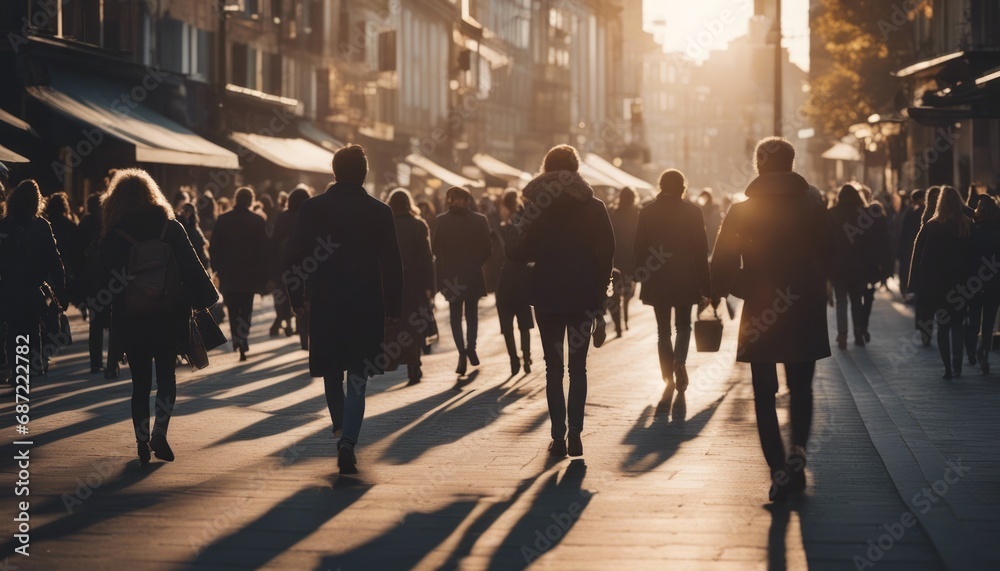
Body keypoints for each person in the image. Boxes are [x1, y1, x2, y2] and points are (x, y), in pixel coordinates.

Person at [711, 137, 833, 501]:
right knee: (801, 386)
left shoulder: (742, 209)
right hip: (803, 304)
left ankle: (778, 470)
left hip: (761, 307)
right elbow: (833, 249)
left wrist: (734, 288)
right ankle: (797, 451)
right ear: (792, 165)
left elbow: (722, 261)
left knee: (764, 393)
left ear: (759, 166)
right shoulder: (812, 204)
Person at [283, 144, 403, 473]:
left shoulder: (313, 208)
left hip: (326, 301)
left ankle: (339, 428)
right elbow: (393, 264)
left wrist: (297, 300)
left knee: (332, 371)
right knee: (359, 377)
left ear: (334, 172)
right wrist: (394, 307)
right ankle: (348, 439)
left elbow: (292, 256)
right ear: (364, 173)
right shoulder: (380, 211)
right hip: (366, 303)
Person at [97, 169, 218, 462]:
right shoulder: (170, 227)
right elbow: (191, 267)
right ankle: (160, 431)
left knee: (140, 384)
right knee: (166, 377)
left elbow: (102, 282)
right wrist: (206, 300)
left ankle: (141, 441)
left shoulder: (115, 235)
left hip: (132, 318)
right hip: (169, 314)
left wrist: (105, 324)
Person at [506, 145, 615, 458]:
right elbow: (607, 252)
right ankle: (577, 435)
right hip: (582, 295)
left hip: (547, 294)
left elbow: (517, 254)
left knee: (553, 368)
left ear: (546, 170)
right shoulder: (594, 207)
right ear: (576, 171)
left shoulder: (536, 206)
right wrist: (601, 292)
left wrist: (517, 231)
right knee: (577, 368)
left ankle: (557, 437)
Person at [633, 169, 713, 402]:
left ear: (660, 186)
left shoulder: (647, 212)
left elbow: (639, 247)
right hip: (685, 278)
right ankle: (680, 360)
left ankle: (667, 372)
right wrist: (706, 289)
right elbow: (701, 252)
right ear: (682, 188)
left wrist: (639, 274)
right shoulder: (693, 212)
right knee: (684, 325)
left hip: (657, 278)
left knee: (662, 329)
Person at [0, 180, 65, 383]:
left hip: (8, 286)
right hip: (33, 286)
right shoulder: (40, 225)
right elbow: (54, 257)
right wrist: (60, 285)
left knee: (13, 328)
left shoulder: (5, 224)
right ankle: (34, 366)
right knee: (33, 326)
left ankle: (18, 370)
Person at [909, 186, 974, 379]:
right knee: (958, 325)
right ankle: (957, 365)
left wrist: (918, 285)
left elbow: (920, 257)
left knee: (943, 326)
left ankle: (947, 366)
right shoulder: (966, 225)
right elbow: (973, 256)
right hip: (962, 285)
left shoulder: (931, 226)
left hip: (938, 286)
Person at [432, 186, 493, 375]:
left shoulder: (441, 221)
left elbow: (435, 249)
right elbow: (488, 248)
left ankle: (461, 353)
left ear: (450, 200)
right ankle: (471, 347)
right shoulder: (480, 220)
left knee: (455, 316)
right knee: (472, 314)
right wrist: (475, 263)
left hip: (451, 275)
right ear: (468, 201)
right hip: (472, 273)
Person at [209, 187, 269, 361]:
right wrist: (262, 272)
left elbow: (214, 248)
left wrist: (216, 269)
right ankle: (243, 338)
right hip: (250, 273)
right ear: (251, 200)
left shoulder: (222, 219)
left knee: (233, 308)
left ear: (236, 199)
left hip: (229, 273)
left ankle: (237, 337)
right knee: (246, 308)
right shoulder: (257, 221)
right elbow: (263, 249)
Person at [388, 188, 435, 385]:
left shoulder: (385, 225)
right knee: (414, 323)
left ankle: (391, 358)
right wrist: (429, 286)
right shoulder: (418, 225)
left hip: (391, 282)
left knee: (394, 323)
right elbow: (426, 258)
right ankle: (414, 364)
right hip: (414, 282)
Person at [828, 183, 871, 349]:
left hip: (838, 265)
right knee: (856, 300)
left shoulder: (831, 214)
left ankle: (842, 335)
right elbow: (868, 243)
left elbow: (828, 242)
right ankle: (858, 332)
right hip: (858, 265)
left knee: (841, 301)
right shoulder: (862, 214)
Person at [496, 189, 534, 376]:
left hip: (505, 280)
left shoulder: (501, 226)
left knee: (507, 324)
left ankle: (513, 359)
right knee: (524, 322)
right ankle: (526, 357)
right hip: (522, 277)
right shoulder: (525, 221)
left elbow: (495, 254)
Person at [270, 185, 311, 344]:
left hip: (285, 263)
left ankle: (286, 320)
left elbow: (274, 241)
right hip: (307, 264)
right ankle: (302, 333)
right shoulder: (308, 216)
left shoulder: (283, 217)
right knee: (305, 297)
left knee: (285, 296)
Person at [966, 196, 1000, 373]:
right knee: (988, 324)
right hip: (994, 285)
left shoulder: (974, 231)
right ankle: (984, 354)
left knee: (974, 321)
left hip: (975, 283)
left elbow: (968, 259)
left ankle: (972, 351)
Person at [79, 193, 111, 374]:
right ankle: (113, 359)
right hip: (109, 280)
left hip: (91, 281)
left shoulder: (84, 224)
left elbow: (78, 253)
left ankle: (95, 362)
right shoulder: (109, 222)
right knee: (113, 322)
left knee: (96, 323)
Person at [608, 187, 640, 336]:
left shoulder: (614, 213)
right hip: (631, 258)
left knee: (614, 292)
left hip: (616, 257)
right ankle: (625, 317)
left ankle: (619, 324)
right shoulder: (637, 214)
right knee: (628, 290)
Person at [43, 192, 82, 309]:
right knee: (62, 301)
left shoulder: (45, 224)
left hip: (47, 268)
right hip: (66, 267)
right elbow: (77, 248)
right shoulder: (70, 225)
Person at [897, 189, 925, 297]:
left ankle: (907, 290)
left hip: (908, 247)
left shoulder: (909, 211)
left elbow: (903, 232)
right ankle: (909, 290)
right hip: (912, 247)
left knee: (907, 269)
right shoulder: (918, 211)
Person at [699, 189, 722, 254]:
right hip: (707, 233)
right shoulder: (701, 208)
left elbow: (715, 221)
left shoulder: (713, 208)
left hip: (710, 233)